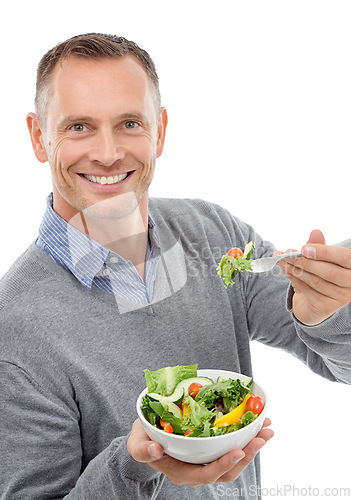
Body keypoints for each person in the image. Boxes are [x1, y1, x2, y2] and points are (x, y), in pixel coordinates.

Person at [0, 33, 350, 500]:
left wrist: (327, 314)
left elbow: (341, 366)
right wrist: (135, 465)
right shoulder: (17, 328)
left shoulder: (213, 236)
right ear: (38, 137)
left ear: (160, 130)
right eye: (79, 127)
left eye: (129, 123)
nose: (107, 153)